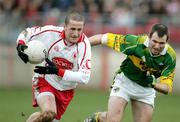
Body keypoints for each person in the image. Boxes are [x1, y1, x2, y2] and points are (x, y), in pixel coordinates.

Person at [84, 24, 176, 122]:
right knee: (113, 120)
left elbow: (166, 88)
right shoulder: (135, 42)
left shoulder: (170, 57)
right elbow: (103, 38)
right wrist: (81, 45)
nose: (157, 46)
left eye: (161, 43)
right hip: (125, 82)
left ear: (167, 42)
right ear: (149, 37)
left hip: (146, 89)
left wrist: (153, 84)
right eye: (154, 41)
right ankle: (98, 118)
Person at [16, 11, 91, 122]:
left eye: (79, 30)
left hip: (66, 90)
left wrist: (58, 71)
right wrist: (20, 43)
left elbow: (85, 77)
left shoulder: (84, 45)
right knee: (49, 113)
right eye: (72, 29)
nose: (75, 34)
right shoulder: (51, 32)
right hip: (45, 81)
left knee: (48, 118)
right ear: (65, 27)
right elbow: (28, 31)